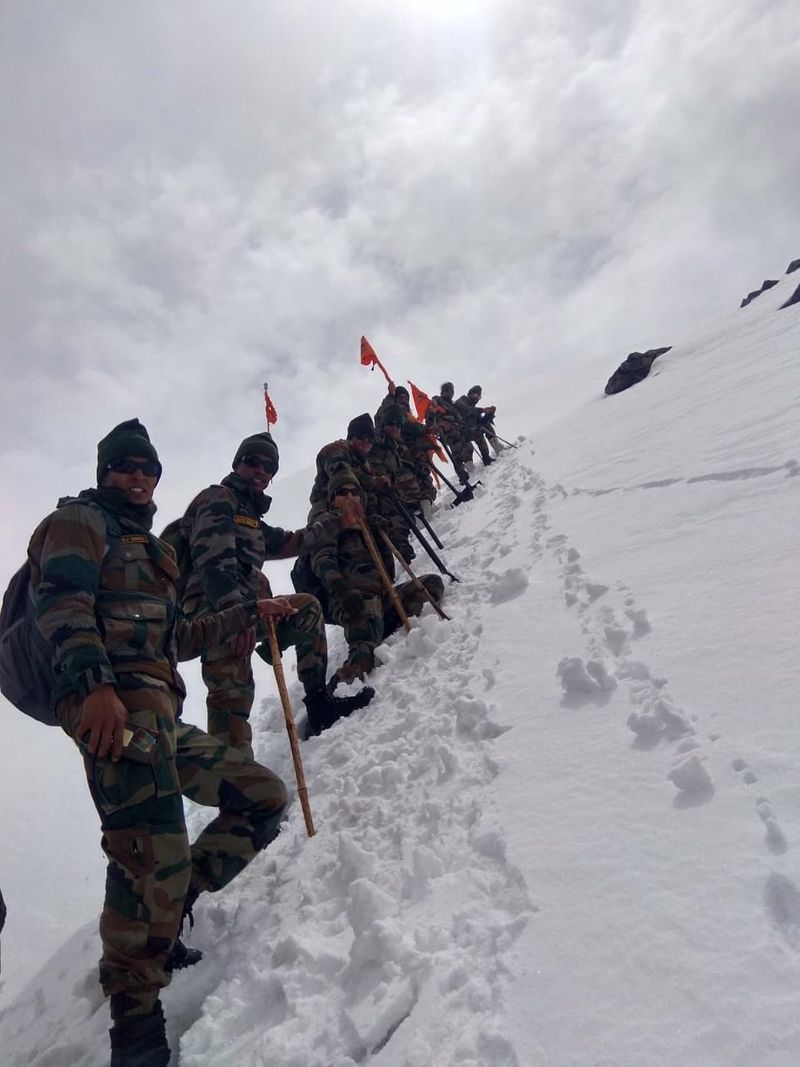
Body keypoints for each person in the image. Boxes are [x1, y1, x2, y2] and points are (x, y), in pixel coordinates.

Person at [28, 419, 291, 1066]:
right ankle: (134, 1023)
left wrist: (248, 616)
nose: (138, 478)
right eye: (125, 466)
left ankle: (175, 907)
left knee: (261, 795)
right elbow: (59, 600)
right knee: (147, 853)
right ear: (104, 470)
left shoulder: (157, 553)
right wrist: (93, 683)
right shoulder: (79, 522)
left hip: (162, 716)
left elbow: (178, 639)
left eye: (147, 469)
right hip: (112, 709)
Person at [178, 432, 374, 756]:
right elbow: (214, 563)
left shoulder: (250, 519)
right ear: (237, 464)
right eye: (252, 462)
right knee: (233, 693)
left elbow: (293, 541)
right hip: (214, 613)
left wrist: (337, 519)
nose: (260, 471)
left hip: (247, 609)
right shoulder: (218, 499)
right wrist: (236, 616)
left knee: (307, 610)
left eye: (268, 467)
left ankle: (319, 706)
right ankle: (236, 788)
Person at [310, 474, 444, 682]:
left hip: (380, 596)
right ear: (332, 500)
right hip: (352, 599)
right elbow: (322, 561)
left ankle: (378, 626)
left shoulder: (366, 523)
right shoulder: (327, 526)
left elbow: (387, 570)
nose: (350, 497)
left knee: (432, 584)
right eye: (342, 493)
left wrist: (380, 532)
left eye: (355, 492)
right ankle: (343, 683)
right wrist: (342, 590)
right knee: (364, 655)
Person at [456, 385, 496, 466]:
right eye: (475, 395)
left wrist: (489, 415)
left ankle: (487, 457)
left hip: (470, 432)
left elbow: (481, 423)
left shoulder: (475, 410)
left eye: (479, 396)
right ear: (469, 394)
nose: (476, 398)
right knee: (468, 447)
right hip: (460, 433)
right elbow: (467, 410)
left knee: (482, 430)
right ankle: (469, 465)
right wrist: (483, 410)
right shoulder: (461, 402)